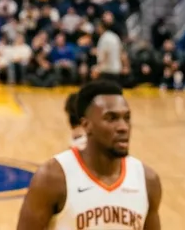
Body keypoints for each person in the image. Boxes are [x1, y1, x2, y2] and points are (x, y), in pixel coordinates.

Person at [15, 81, 163, 229]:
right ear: (86, 125)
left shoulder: (147, 180)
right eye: (111, 118)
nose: (123, 127)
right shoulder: (52, 178)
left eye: (127, 118)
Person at [95, 22, 123, 86]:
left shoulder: (104, 38)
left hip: (107, 70)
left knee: (106, 93)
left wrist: (98, 68)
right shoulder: (115, 36)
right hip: (116, 69)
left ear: (101, 27)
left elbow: (105, 53)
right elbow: (121, 51)